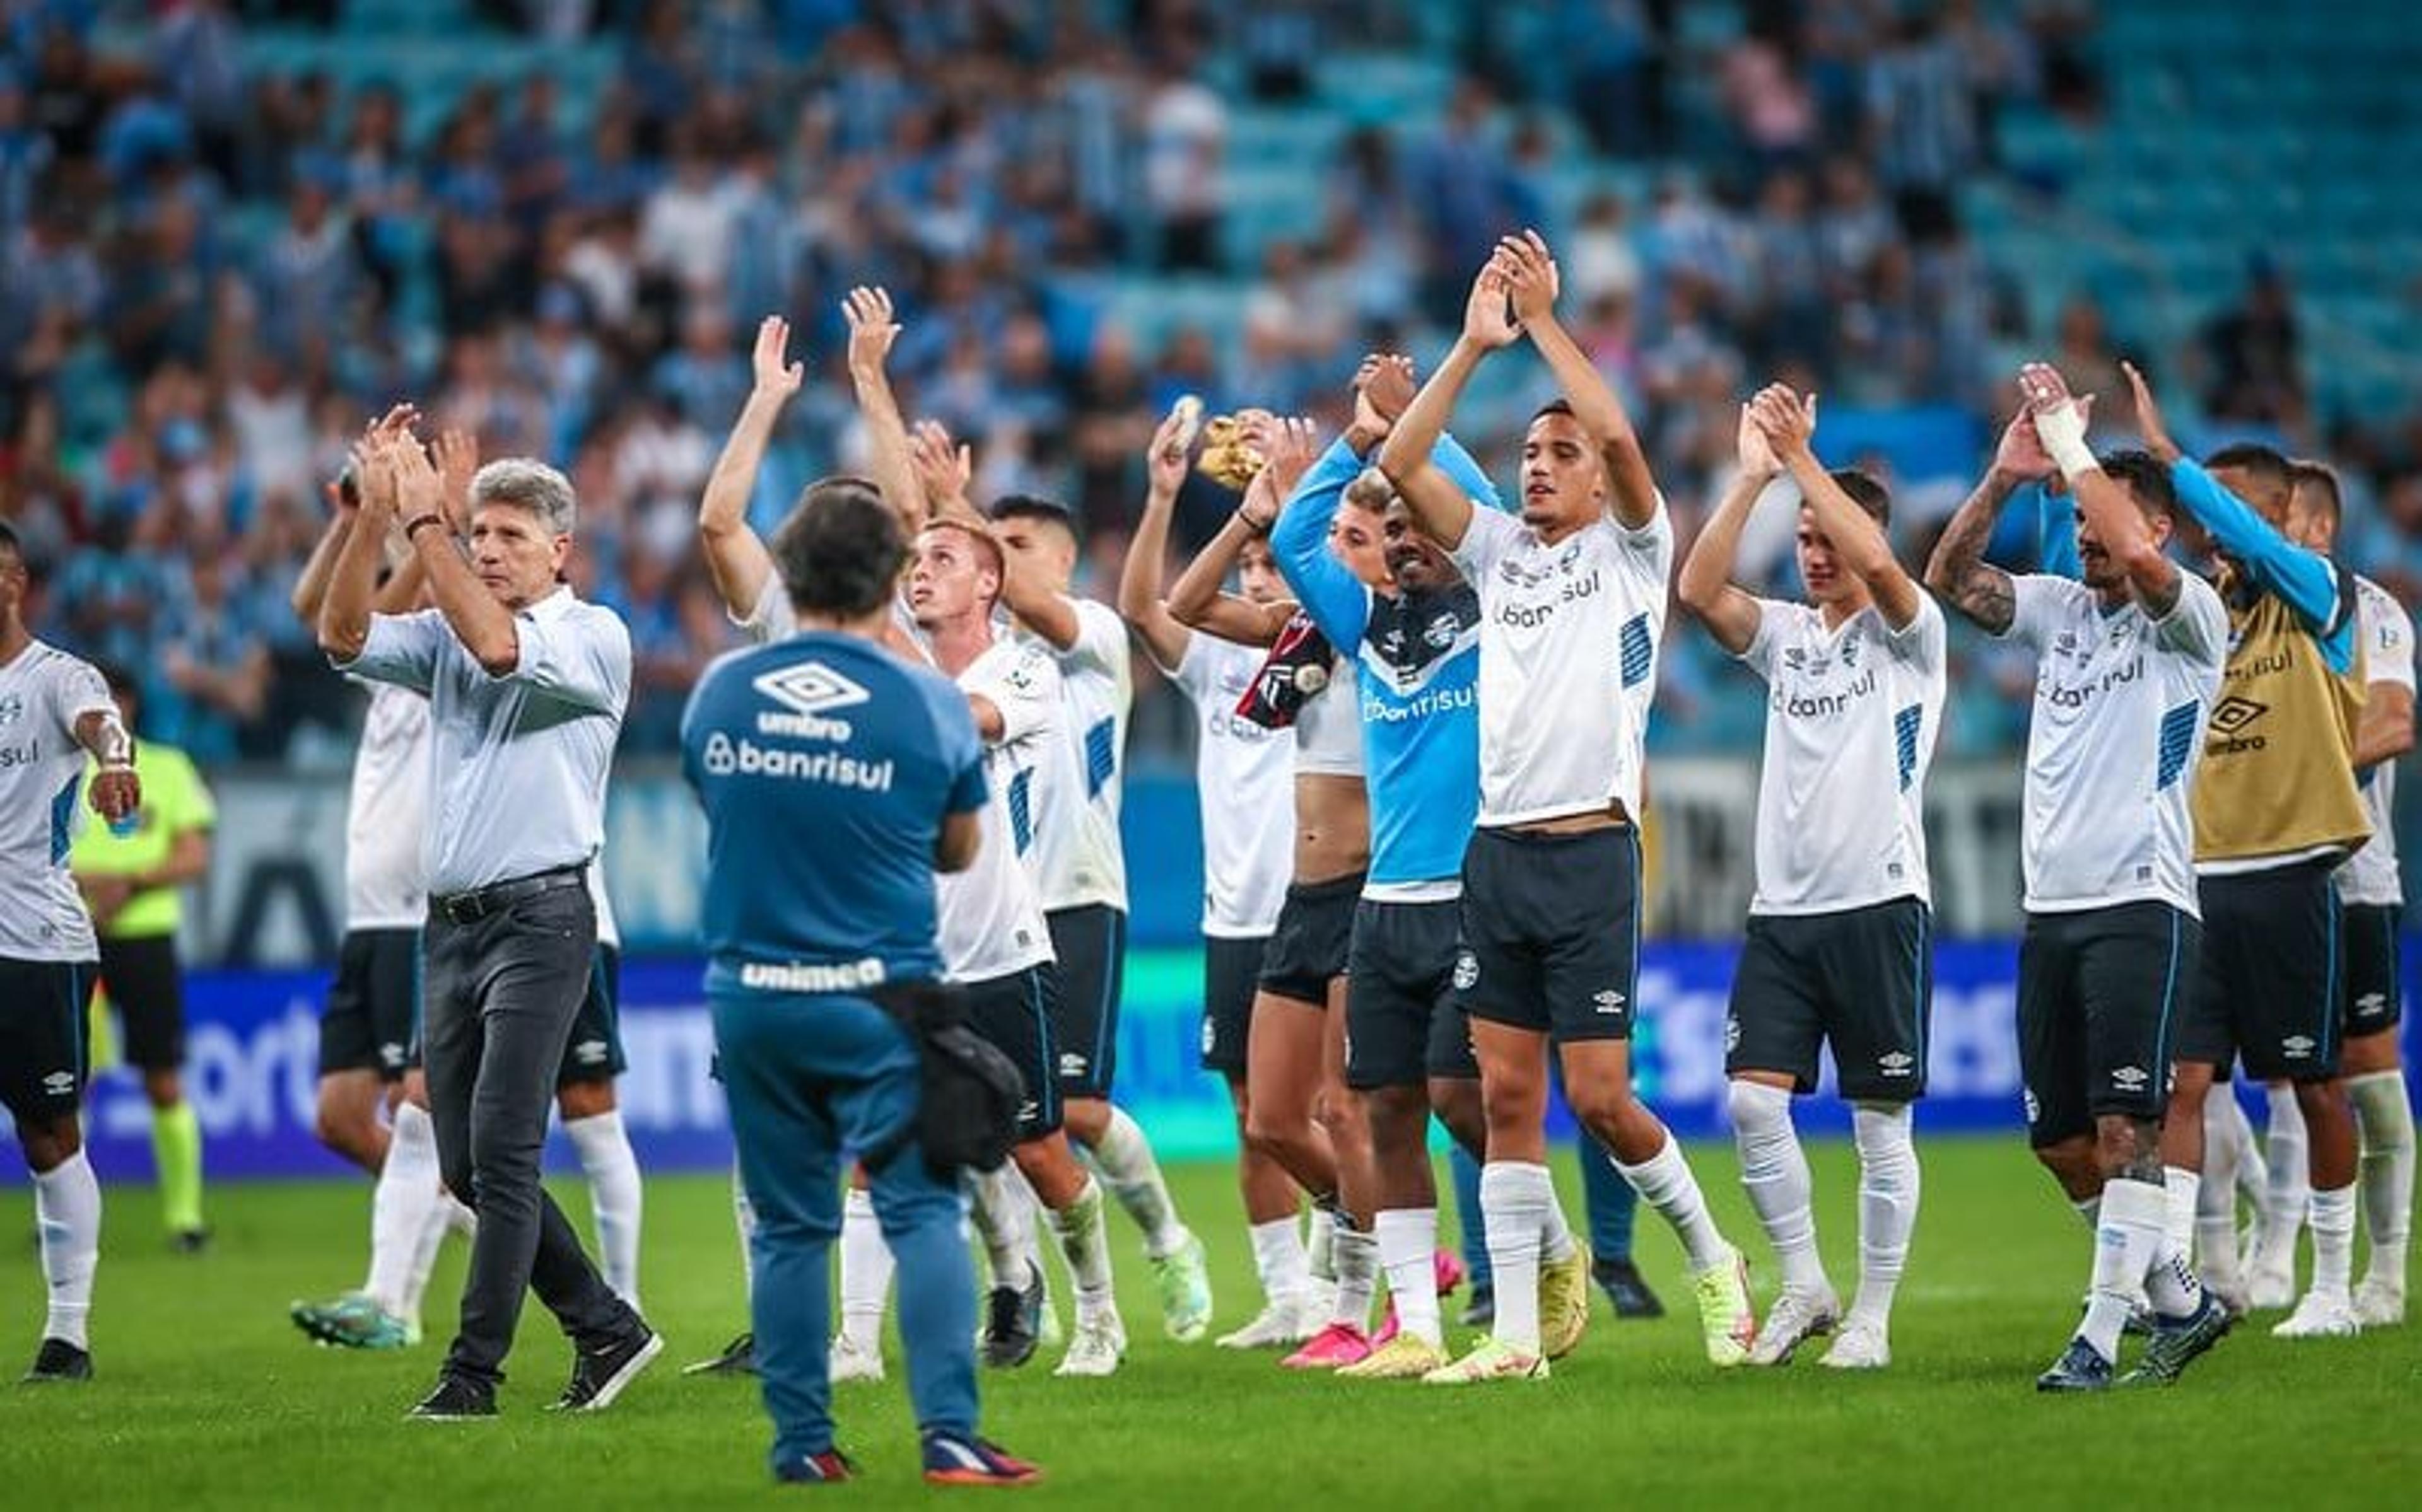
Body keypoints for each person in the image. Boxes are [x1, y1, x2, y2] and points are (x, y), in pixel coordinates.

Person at [1379, 232, 1755, 1381]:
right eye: (1530, 451)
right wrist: (1470, 345)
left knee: (1597, 1096)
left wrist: (1545, 323)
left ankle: (1713, 1259)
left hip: (1593, 855)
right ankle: (1514, 1341)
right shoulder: (1499, 554)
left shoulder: (1638, 553)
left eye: (1559, 453)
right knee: (1501, 1095)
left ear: (1600, 479)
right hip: (1496, 855)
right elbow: (1402, 460)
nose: (1538, 467)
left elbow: (1629, 435)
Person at [681, 475, 1039, 1487]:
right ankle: (949, 1436)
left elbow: (720, 800)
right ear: (890, 575)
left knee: (793, 1223)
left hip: (753, 995)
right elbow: (961, 848)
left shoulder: (721, 691)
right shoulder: (924, 701)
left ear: (789, 571)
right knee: (919, 1209)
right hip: (881, 993)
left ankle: (803, 1444)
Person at [319, 429, 657, 1419]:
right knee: (464, 1164)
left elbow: (500, 648)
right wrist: (376, 519)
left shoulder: (594, 635)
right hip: (450, 927)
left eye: (509, 533)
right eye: (480, 530)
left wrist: (429, 523)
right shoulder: (449, 631)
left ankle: (472, 1375)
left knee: (504, 1152)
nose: (490, 547)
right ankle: (607, 1324)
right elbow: (343, 638)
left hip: (545, 920)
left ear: (562, 550)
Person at [1264, 368, 1578, 1382]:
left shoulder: (1496, 609)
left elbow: (1486, 510)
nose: (1399, 540)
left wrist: (1406, 428)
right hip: (1382, 904)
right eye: (1387, 531)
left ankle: (1550, 1255)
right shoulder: (1364, 631)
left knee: (1455, 1097)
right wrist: (1351, 451)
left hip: (1471, 895)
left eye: (1412, 525)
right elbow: (1288, 541)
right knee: (1387, 1104)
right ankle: (1417, 1330)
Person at [1924, 365, 2232, 1389]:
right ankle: (2181, 1300)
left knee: (2124, 1128)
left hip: (2143, 899)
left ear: (2156, 527)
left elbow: (2139, 551)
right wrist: (2010, 477)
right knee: (2061, 1144)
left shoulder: (2188, 621)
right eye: (2082, 516)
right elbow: (1950, 579)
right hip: (2050, 910)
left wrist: (2074, 448)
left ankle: (2100, 1338)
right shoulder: (2060, 610)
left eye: (2107, 514)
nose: (2088, 530)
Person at [1677, 385, 1942, 1368]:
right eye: (1806, 538)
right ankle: (1806, 1282)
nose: (1816, 552)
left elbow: (1878, 562)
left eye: (1828, 535)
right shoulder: (1789, 635)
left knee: (1881, 1125)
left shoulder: (1912, 637)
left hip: (1879, 901)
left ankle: (1871, 1316)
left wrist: (1802, 461)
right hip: (1782, 914)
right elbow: (1700, 592)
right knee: (1752, 1103)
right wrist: (1754, 476)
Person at [2121, 366, 2373, 1341]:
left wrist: (2177, 460)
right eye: (2200, 514)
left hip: (2293, 870)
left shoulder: (2320, 596)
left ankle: (2335, 1285)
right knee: (2182, 1086)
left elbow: (2262, 546)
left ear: (2273, 513)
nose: (2208, 531)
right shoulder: (2197, 615)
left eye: (2226, 513)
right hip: (2197, 879)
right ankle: (2179, 1287)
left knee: (2312, 1083)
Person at [1164, 424, 1384, 1369]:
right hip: (1300, 896)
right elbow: (1184, 601)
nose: (1337, 549)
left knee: (1346, 1109)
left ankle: (1361, 1306)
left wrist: (1321, 480)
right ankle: (1398, 1246)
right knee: (1269, 1120)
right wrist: (1253, 512)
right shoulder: (1303, 631)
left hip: (1373, 890)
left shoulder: (1391, 631)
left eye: (1354, 535)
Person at [981, 484, 1216, 1342]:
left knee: (1074, 1108)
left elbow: (1011, 588)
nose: (993, 558)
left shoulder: (1095, 639)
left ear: (1062, 560)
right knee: (996, 1118)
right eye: (989, 542)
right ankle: (1021, 1286)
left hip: (1078, 896)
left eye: (1014, 543)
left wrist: (953, 515)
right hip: (992, 912)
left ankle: (1168, 1239)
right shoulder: (981, 656)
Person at [1115, 402, 1313, 1349]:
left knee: (1326, 1109)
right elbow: (1140, 611)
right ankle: (1288, 1292)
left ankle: (1349, 1272)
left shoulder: (1331, 650)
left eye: (1273, 564)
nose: (1258, 578)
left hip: (1318, 900)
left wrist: (1293, 493)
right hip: (1233, 914)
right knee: (1254, 1115)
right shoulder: (1215, 663)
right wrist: (1163, 497)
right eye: (1249, 566)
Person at [1, 518, 141, 1383]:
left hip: (36, 942)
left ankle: (68, 1332)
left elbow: (104, 727)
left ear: (13, 581)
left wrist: (116, 761)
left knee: (50, 1131)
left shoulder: (57, 677)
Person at [2278, 460, 2413, 1327]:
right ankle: (2243, 1257)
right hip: (2256, 882)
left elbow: (2396, 720)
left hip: (2354, 878)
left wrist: (2289, 777)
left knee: (2366, 1075)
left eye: (2271, 518)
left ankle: (2388, 1272)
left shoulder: (2372, 609)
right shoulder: (2242, 613)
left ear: (2320, 529)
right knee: (2259, 1079)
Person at [68, 660, 216, 1252]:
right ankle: (68, 1220)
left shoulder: (168, 767)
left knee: (163, 1081)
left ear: (129, 707)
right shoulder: (58, 773)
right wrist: (89, 883)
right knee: (65, 1085)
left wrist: (127, 885)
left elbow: (195, 856)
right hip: (72, 939)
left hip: (147, 939)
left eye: (115, 704)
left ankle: (186, 1218)